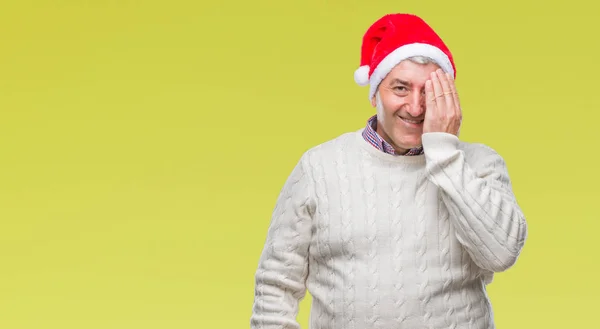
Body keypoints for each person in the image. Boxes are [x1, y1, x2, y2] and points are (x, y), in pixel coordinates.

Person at [250, 13, 527, 329]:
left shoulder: (480, 164)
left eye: (429, 91)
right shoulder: (319, 168)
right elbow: (275, 285)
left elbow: (501, 255)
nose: (416, 107)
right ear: (374, 93)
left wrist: (444, 152)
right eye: (400, 88)